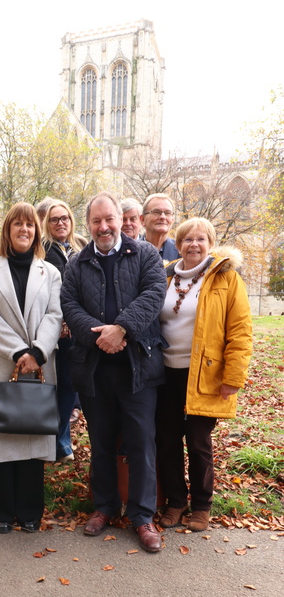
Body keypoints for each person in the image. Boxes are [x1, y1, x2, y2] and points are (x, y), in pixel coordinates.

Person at [61, 192, 167, 552]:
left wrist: (121, 328)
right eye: (96, 221)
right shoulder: (76, 263)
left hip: (139, 368)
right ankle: (104, 507)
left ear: (121, 220)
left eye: (109, 219)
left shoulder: (145, 254)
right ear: (88, 224)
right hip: (94, 370)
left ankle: (142, 516)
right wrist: (101, 336)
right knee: (102, 443)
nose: (103, 227)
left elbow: (155, 293)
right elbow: (69, 305)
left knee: (141, 443)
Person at [156, 217, 252, 531]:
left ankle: (201, 505)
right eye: (187, 239)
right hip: (165, 375)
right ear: (178, 243)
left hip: (205, 375)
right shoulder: (166, 275)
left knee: (198, 442)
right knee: (167, 441)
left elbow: (240, 332)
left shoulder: (226, 278)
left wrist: (233, 378)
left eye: (200, 239)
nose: (193, 245)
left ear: (210, 244)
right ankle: (175, 501)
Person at [0, 202, 62, 533]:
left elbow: (55, 314)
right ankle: (1, 512)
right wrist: (18, 351)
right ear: (7, 230)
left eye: (30, 225)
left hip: (39, 362)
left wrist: (37, 351)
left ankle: (29, 511)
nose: (24, 230)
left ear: (37, 231)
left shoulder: (50, 272)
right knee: (3, 432)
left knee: (31, 431)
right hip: (2, 360)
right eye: (17, 225)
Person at [42, 199, 83, 462]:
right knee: (59, 385)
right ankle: (56, 443)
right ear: (47, 223)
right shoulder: (44, 250)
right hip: (57, 329)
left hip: (80, 327)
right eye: (55, 219)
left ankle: (61, 440)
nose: (60, 223)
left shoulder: (80, 247)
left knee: (73, 386)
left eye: (65, 218)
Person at [140, 193, 179, 261]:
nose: (163, 217)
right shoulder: (129, 250)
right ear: (142, 220)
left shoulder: (181, 251)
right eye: (156, 212)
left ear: (172, 221)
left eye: (167, 213)